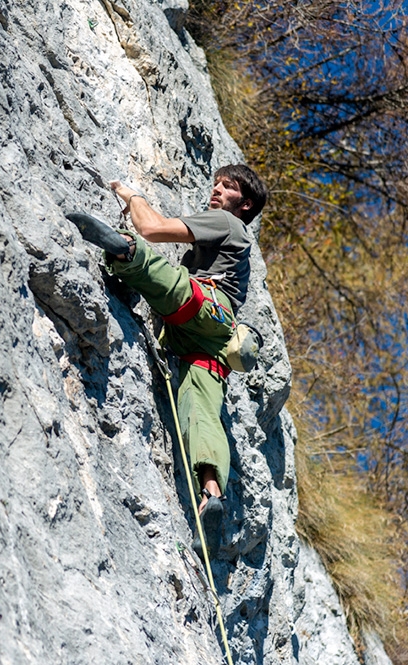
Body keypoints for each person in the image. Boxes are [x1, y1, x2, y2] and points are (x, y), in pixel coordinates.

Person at [68, 164, 268, 560]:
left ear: (244, 204)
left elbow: (154, 228)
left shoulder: (227, 223)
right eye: (215, 184)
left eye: (227, 188)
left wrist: (131, 196)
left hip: (203, 308)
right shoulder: (237, 242)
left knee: (171, 280)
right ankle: (211, 494)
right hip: (210, 346)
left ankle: (124, 252)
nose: (216, 191)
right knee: (202, 411)